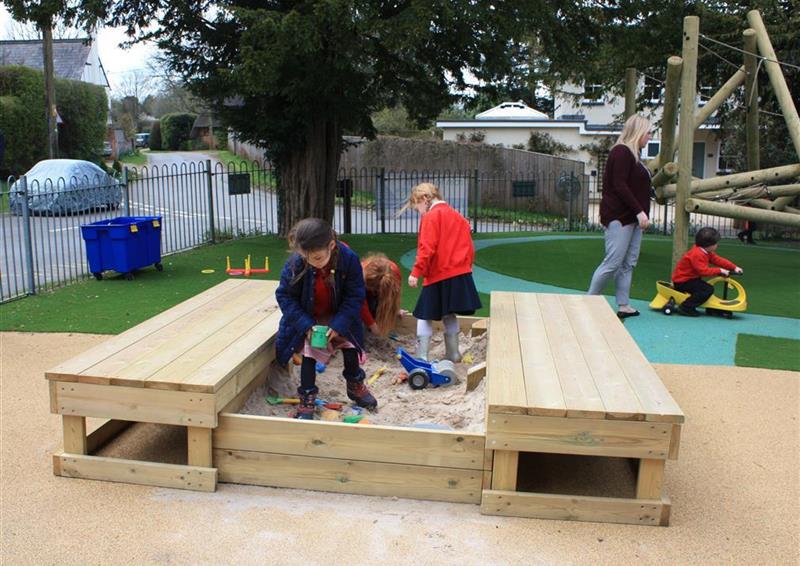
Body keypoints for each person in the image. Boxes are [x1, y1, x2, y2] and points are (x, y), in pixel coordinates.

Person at [275, 218, 377, 419]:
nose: (312, 261)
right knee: (310, 354)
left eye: (318, 258)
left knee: (349, 348)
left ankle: (355, 385)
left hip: (340, 315)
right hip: (310, 316)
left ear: (331, 245)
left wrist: (339, 325)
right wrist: (305, 325)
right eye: (306, 257)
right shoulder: (297, 263)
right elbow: (284, 296)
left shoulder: (348, 259)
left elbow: (355, 295)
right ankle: (307, 397)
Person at [403, 182, 481, 362]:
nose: (419, 213)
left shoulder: (431, 217)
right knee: (449, 314)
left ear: (424, 199)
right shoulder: (457, 216)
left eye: (417, 209)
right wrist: (466, 266)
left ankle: (422, 356)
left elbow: (426, 248)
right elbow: (469, 246)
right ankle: (454, 353)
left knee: (424, 315)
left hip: (439, 274)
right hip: (459, 274)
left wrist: (416, 272)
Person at [587, 114, 652, 318]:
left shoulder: (635, 155)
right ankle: (588, 301)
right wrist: (639, 211)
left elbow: (633, 184)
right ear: (638, 132)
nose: (650, 137)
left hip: (632, 218)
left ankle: (623, 305)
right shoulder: (621, 152)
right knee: (613, 262)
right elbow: (620, 185)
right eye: (648, 132)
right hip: (620, 217)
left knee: (628, 263)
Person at [672, 227, 743, 317]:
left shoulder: (705, 251)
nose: (717, 245)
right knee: (706, 289)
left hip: (690, 279)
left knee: (705, 288)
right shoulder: (697, 254)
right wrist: (720, 270)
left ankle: (709, 307)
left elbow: (718, 260)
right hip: (682, 281)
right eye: (716, 243)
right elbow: (703, 271)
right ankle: (686, 307)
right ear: (710, 245)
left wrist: (734, 267)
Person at [360, 253, 402, 336]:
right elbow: (360, 303)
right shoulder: (360, 270)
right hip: (359, 297)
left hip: (380, 290)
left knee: (378, 307)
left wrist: (395, 310)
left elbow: (392, 298)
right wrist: (372, 325)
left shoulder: (394, 273)